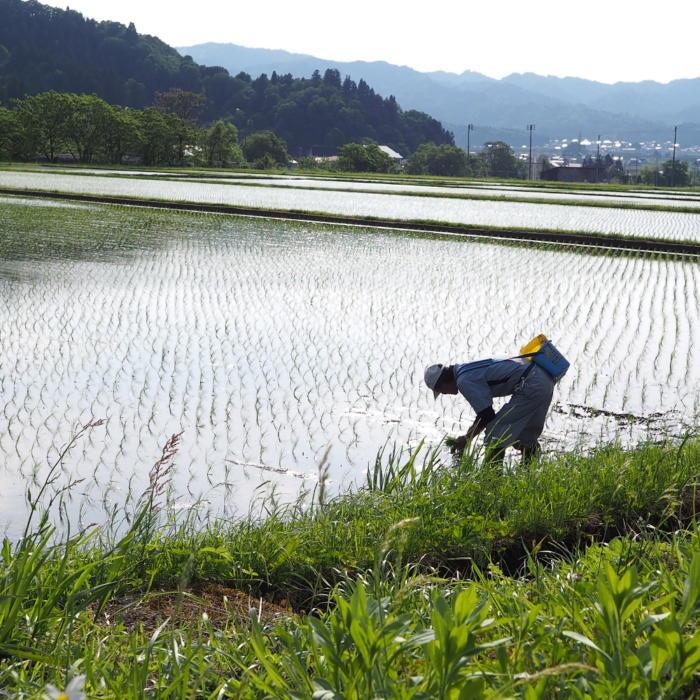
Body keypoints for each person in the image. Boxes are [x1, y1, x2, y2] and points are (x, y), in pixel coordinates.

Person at [424, 355, 556, 466]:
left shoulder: (463, 381)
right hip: (543, 377)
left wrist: (466, 439)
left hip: (531, 384)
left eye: (441, 391)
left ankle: (491, 478)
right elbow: (484, 414)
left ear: (443, 383)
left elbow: (486, 415)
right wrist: (468, 436)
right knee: (525, 435)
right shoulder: (463, 369)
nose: (444, 394)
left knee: (495, 433)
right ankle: (530, 471)